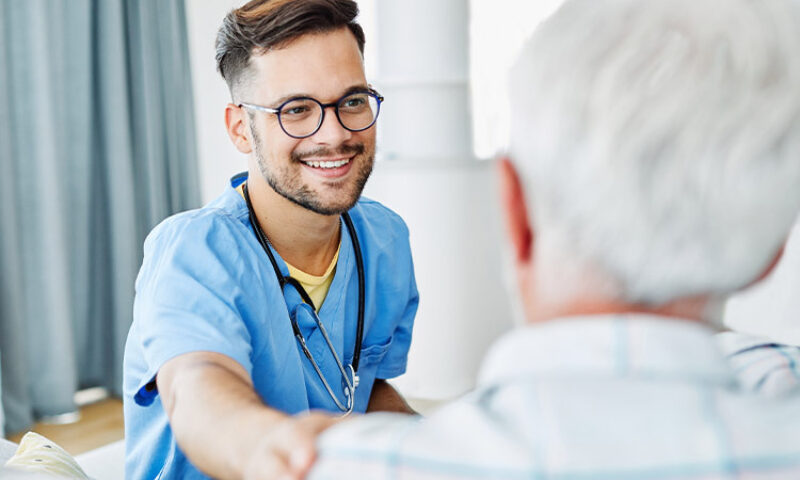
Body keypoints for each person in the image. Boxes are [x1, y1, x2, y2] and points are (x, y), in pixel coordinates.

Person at [309, 0, 800, 477]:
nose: (333, 133)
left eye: (352, 102)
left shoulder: (330, 465)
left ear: (513, 211)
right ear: (771, 250)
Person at [122, 1, 419, 479]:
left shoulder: (385, 239)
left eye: (353, 100)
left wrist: (433, 445)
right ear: (242, 128)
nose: (335, 133)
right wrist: (268, 446)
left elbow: (363, 388)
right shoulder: (194, 252)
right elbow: (198, 389)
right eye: (296, 109)